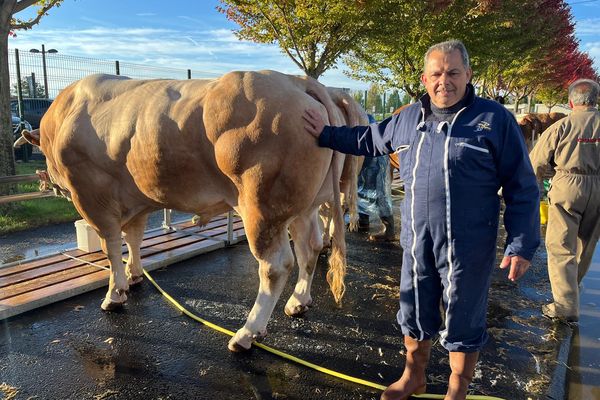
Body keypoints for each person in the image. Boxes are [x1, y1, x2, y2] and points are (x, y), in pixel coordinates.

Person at [303, 40, 540, 400]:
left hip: (468, 246)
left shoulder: (494, 120)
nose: (444, 80)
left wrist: (521, 244)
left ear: (468, 74)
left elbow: (522, 186)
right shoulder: (409, 118)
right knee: (413, 308)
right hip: (417, 242)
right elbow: (369, 138)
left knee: (463, 316)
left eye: (453, 72)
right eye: (436, 73)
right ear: (425, 79)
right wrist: (325, 132)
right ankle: (414, 376)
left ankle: (457, 389)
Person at [529, 78, 600, 323]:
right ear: (595, 99)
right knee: (586, 245)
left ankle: (565, 305)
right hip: (599, 187)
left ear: (571, 101)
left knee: (561, 246)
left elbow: (536, 162)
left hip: (568, 186)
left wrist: (521, 191)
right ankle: (572, 289)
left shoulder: (562, 126)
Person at [357, 114, 396, 241]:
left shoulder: (365, 122)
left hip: (375, 158)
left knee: (380, 194)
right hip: (366, 155)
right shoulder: (364, 118)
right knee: (361, 190)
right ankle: (363, 221)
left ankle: (389, 231)